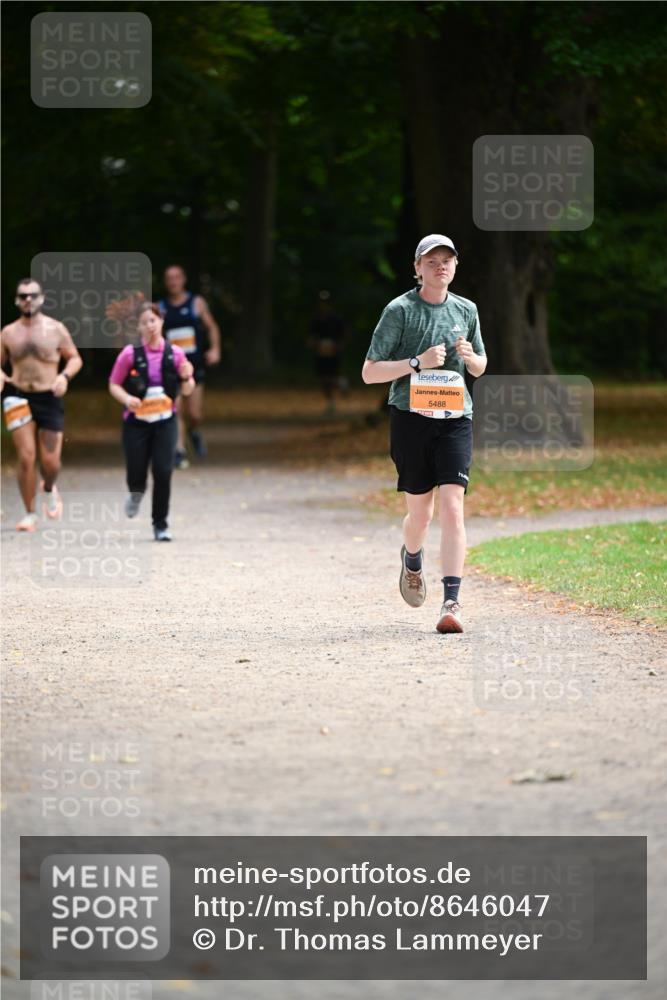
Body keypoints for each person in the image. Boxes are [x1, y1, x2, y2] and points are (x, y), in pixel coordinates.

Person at [362, 235, 487, 633]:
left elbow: (482, 366)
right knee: (422, 512)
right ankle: (412, 558)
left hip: (455, 418)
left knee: (453, 506)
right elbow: (369, 372)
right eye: (432, 261)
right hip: (411, 416)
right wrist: (416, 363)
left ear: (455, 266)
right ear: (417, 268)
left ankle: (451, 602)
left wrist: (471, 358)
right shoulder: (399, 310)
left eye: (447, 260)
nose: (440, 267)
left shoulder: (467, 309)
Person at [108, 296, 195, 541]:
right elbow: (114, 384)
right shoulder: (129, 354)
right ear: (138, 327)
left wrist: (187, 378)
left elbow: (187, 390)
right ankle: (135, 493)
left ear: (162, 321)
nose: (150, 326)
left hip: (166, 422)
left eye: (153, 320)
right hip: (136, 423)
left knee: (163, 470)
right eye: (144, 322)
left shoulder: (175, 354)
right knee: (137, 471)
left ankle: (160, 524)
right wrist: (126, 399)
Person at [0, 277, 82, 531]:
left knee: (50, 462)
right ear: (17, 300)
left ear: (42, 298)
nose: (27, 300)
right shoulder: (8, 333)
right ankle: (30, 513)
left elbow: (75, 359)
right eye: (23, 295)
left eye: (32, 295)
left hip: (49, 397)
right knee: (26, 458)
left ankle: (48, 487)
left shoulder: (56, 329)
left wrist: (64, 377)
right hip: (18, 395)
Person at [158, 265, 221, 468]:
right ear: (165, 282)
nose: (173, 282)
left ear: (183, 279)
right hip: (171, 366)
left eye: (176, 277)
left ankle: (194, 431)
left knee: (194, 414)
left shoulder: (197, 303)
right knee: (175, 409)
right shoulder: (160, 307)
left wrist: (215, 349)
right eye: (169, 278)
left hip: (194, 366)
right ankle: (179, 450)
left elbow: (212, 328)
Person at [307, 290, 347, 414]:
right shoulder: (315, 319)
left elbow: (344, 334)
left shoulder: (336, 319)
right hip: (320, 352)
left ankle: (339, 386)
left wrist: (339, 345)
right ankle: (331, 400)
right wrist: (313, 344)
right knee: (323, 378)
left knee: (331, 376)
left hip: (333, 351)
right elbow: (311, 335)